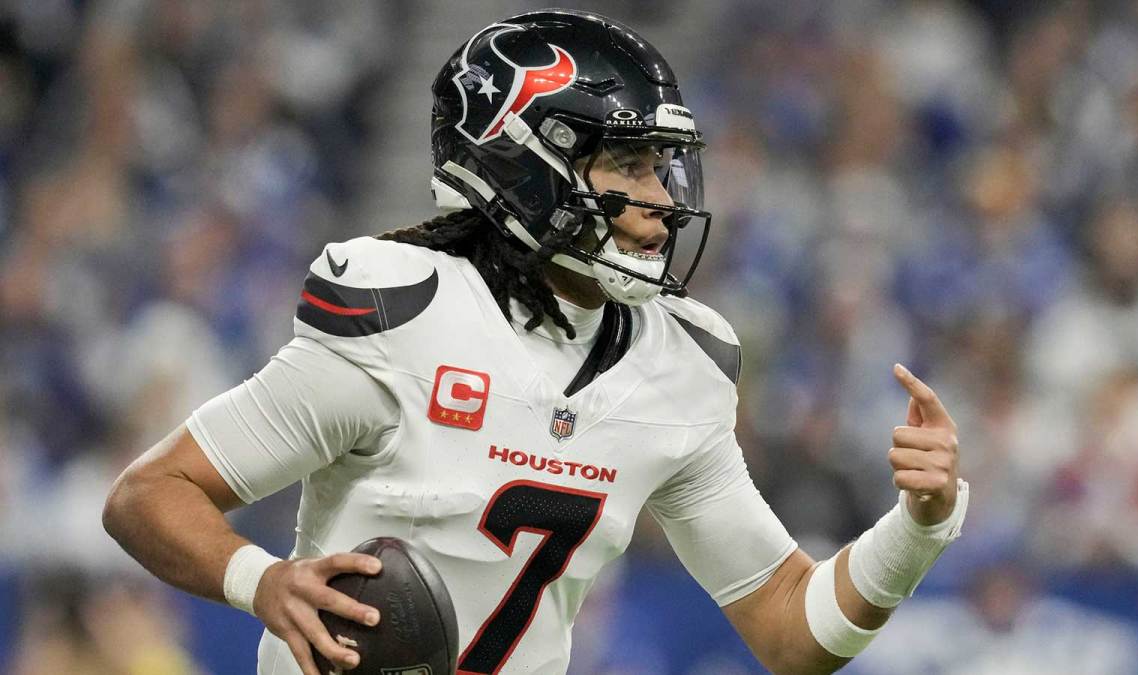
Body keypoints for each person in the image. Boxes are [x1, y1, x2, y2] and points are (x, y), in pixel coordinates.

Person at [102, 9, 968, 675]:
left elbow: (789, 628)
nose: (661, 197)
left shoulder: (680, 366)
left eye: (661, 167)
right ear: (527, 165)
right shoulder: (405, 313)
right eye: (627, 166)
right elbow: (149, 494)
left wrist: (917, 529)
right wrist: (264, 581)